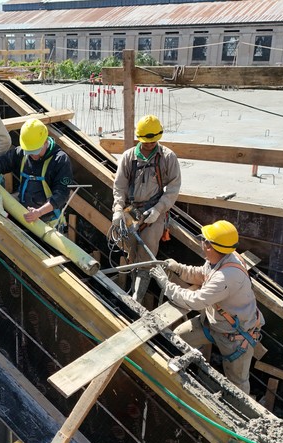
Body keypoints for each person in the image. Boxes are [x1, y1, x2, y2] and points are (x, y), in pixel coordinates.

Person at [150, 220, 263, 394]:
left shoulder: (226, 277)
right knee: (179, 338)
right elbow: (203, 275)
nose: (202, 242)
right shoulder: (222, 258)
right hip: (212, 323)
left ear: (210, 246)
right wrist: (179, 268)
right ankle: (185, 370)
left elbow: (195, 301)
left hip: (236, 336)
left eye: (204, 240)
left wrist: (166, 285)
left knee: (237, 385)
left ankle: (239, 410)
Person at [111, 115, 182, 303]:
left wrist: (158, 209)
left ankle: (137, 298)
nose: (150, 144)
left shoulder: (167, 157)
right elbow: (119, 186)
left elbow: (173, 188)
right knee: (131, 250)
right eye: (146, 141)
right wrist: (118, 209)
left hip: (153, 211)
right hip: (131, 210)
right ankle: (132, 285)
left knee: (147, 254)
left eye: (153, 141)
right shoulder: (129, 157)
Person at [0, 118, 74, 226]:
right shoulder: (21, 153)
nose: (33, 156)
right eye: (29, 152)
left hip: (48, 223)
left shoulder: (60, 160)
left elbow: (62, 194)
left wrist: (39, 212)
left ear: (45, 142)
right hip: (23, 215)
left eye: (36, 151)